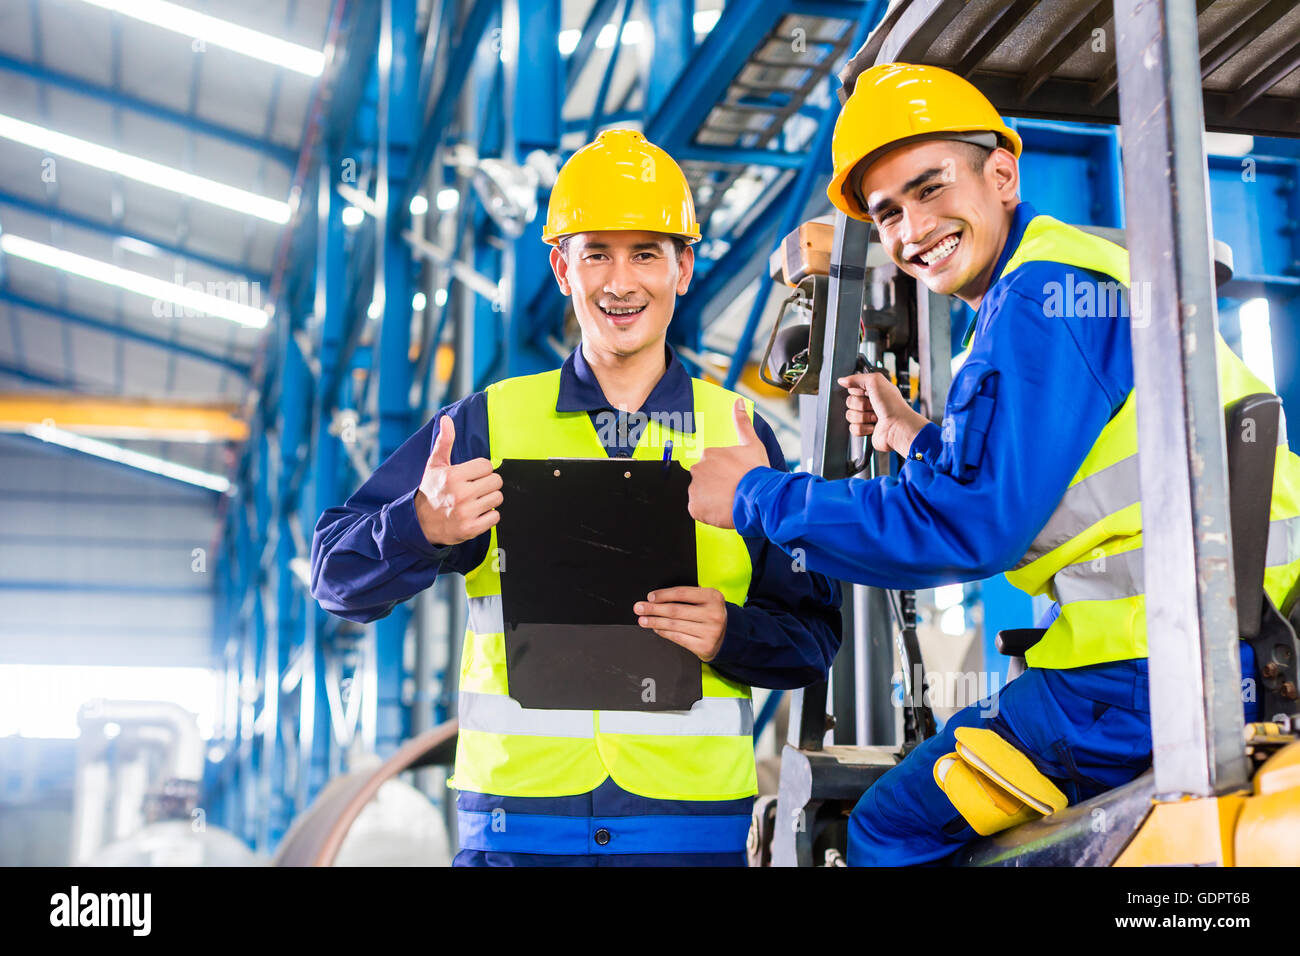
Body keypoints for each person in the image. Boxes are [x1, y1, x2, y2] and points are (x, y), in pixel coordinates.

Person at [686, 63, 1300, 865]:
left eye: (932, 188)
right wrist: (915, 436)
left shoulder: (1043, 299)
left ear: (1002, 174)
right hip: (1215, 649)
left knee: (884, 826)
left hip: (1140, 678)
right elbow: (1010, 477)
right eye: (889, 213)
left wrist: (757, 496)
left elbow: (965, 530)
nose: (911, 231)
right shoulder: (1063, 282)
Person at [311, 128, 842, 867]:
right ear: (562, 268)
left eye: (646, 253)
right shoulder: (486, 425)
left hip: (687, 832)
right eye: (597, 253)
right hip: (518, 829)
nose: (620, 283)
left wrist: (731, 634)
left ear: (683, 267)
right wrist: (418, 524)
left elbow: (814, 638)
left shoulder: (739, 434)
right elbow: (334, 579)